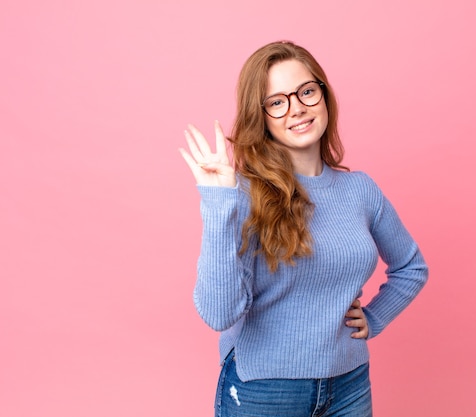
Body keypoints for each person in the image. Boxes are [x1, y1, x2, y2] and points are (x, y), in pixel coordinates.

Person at [179, 41, 428, 417]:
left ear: (324, 96)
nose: (296, 108)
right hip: (264, 389)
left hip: (349, 383)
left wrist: (374, 318)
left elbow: (412, 268)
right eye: (277, 101)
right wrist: (217, 204)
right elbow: (218, 314)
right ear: (260, 116)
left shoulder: (360, 189)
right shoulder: (242, 194)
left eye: (306, 92)